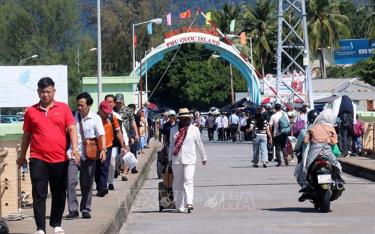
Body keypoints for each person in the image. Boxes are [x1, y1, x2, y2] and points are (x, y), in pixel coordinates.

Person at [18, 77, 78, 234]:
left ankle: (56, 224)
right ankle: (40, 228)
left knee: (59, 193)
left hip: (60, 159)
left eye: (48, 92)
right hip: (38, 159)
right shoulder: (31, 111)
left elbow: (72, 129)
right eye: (42, 92)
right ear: (38, 92)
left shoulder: (63, 108)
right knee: (39, 193)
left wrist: (75, 149)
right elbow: (27, 135)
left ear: (54, 91)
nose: (45, 95)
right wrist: (22, 155)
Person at [66, 92, 106, 220]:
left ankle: (85, 209)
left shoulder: (96, 118)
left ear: (89, 105)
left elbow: (101, 135)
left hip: (89, 155)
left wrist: (103, 150)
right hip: (73, 154)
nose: (79, 108)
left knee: (87, 183)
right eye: (78, 105)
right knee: (70, 182)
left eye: (82, 105)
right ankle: (73, 210)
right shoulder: (72, 116)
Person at [298, 109, 344, 202]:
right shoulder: (331, 128)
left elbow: (305, 141)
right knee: (337, 165)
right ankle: (339, 181)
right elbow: (334, 141)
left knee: (305, 169)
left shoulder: (312, 128)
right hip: (327, 152)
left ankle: (306, 186)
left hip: (314, 152)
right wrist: (326, 141)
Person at [168, 108, 207, 213]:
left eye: (187, 118)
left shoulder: (194, 129)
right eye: (183, 119)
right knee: (177, 182)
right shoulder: (173, 130)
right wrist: (169, 159)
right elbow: (171, 145)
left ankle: (189, 202)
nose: (186, 120)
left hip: (190, 159)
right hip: (176, 159)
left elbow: (199, 143)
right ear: (179, 119)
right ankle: (179, 204)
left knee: (188, 179)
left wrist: (204, 157)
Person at [96, 101, 126, 197]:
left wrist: (123, 146)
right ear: (100, 110)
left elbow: (118, 132)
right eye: (105, 111)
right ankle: (99, 186)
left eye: (108, 112)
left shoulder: (112, 117)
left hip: (108, 145)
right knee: (97, 168)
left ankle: (103, 187)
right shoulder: (94, 118)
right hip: (95, 146)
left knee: (105, 166)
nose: (107, 113)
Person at [105, 94, 129, 188]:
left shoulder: (117, 117)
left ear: (114, 103)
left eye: (111, 102)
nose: (109, 104)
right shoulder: (98, 115)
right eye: (107, 102)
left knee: (111, 161)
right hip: (101, 145)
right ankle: (102, 183)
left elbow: (122, 131)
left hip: (113, 144)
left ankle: (110, 182)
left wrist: (125, 144)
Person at [113, 94, 139, 173]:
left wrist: (136, 134)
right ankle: (117, 168)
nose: (118, 104)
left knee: (126, 152)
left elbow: (132, 121)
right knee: (116, 153)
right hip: (115, 134)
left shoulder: (128, 110)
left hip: (126, 134)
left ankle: (129, 169)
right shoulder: (113, 110)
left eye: (119, 102)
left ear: (123, 101)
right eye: (116, 102)